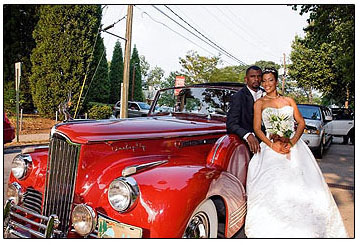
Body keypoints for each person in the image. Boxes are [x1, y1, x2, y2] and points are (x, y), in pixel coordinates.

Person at [245, 67, 348, 238]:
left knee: (302, 185)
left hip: (293, 147)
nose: (267, 84)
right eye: (264, 81)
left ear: (276, 82)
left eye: (270, 80)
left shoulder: (289, 101)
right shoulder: (260, 103)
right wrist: (272, 145)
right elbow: (257, 129)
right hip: (271, 148)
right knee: (271, 184)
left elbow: (300, 123)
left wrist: (292, 142)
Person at [226, 65, 264, 154]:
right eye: (252, 76)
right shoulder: (238, 97)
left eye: (259, 76)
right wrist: (247, 135)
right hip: (250, 147)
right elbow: (231, 124)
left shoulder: (267, 94)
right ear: (246, 79)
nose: (256, 79)